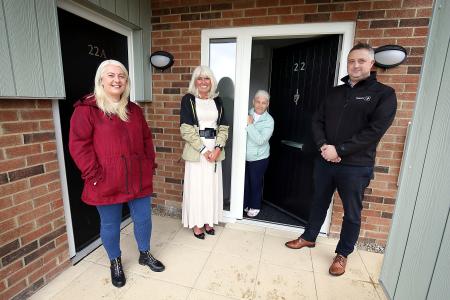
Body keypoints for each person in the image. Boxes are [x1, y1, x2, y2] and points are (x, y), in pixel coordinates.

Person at [285, 43, 397, 276]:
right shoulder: (334, 92)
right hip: (325, 161)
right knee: (318, 201)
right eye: (351, 61)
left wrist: (341, 150)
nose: (355, 65)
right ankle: (309, 237)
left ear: (371, 63)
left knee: (351, 212)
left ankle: (342, 254)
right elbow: (317, 121)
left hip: (356, 167)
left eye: (361, 61)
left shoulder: (384, 94)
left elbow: (374, 131)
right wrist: (323, 147)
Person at [69, 60, 165, 288]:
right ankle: (115, 261)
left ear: (126, 81)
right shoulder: (87, 109)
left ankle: (144, 253)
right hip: (105, 178)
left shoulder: (134, 110)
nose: (117, 80)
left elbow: (145, 139)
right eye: (111, 75)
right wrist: (93, 174)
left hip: (137, 176)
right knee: (110, 224)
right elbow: (78, 145)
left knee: (143, 218)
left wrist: (148, 163)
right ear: (101, 79)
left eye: (121, 75)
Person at [180, 65, 229, 239]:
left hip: (215, 150)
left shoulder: (218, 101)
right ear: (195, 81)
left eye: (206, 78)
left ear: (211, 81)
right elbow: (186, 129)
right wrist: (203, 150)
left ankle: (209, 220)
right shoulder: (188, 99)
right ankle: (197, 223)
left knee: (211, 187)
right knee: (197, 188)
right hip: (197, 150)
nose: (203, 82)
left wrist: (217, 148)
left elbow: (223, 127)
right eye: (199, 78)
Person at [244, 90, 274, 217]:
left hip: (259, 157)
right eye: (258, 102)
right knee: (245, 181)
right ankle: (245, 203)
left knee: (255, 182)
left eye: (264, 103)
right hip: (243, 155)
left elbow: (261, 140)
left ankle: (255, 205)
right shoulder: (246, 113)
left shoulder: (269, 121)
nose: (260, 105)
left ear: (267, 104)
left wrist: (249, 125)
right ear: (253, 102)